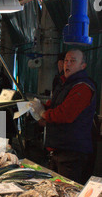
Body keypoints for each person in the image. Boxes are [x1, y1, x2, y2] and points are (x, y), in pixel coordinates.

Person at [30, 48, 96, 185]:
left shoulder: (82, 87)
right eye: (66, 61)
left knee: (68, 192)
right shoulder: (64, 83)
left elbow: (65, 115)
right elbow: (54, 105)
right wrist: (40, 106)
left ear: (82, 66)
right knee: (55, 190)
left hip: (72, 153)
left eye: (73, 61)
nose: (68, 64)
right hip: (59, 150)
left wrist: (42, 113)